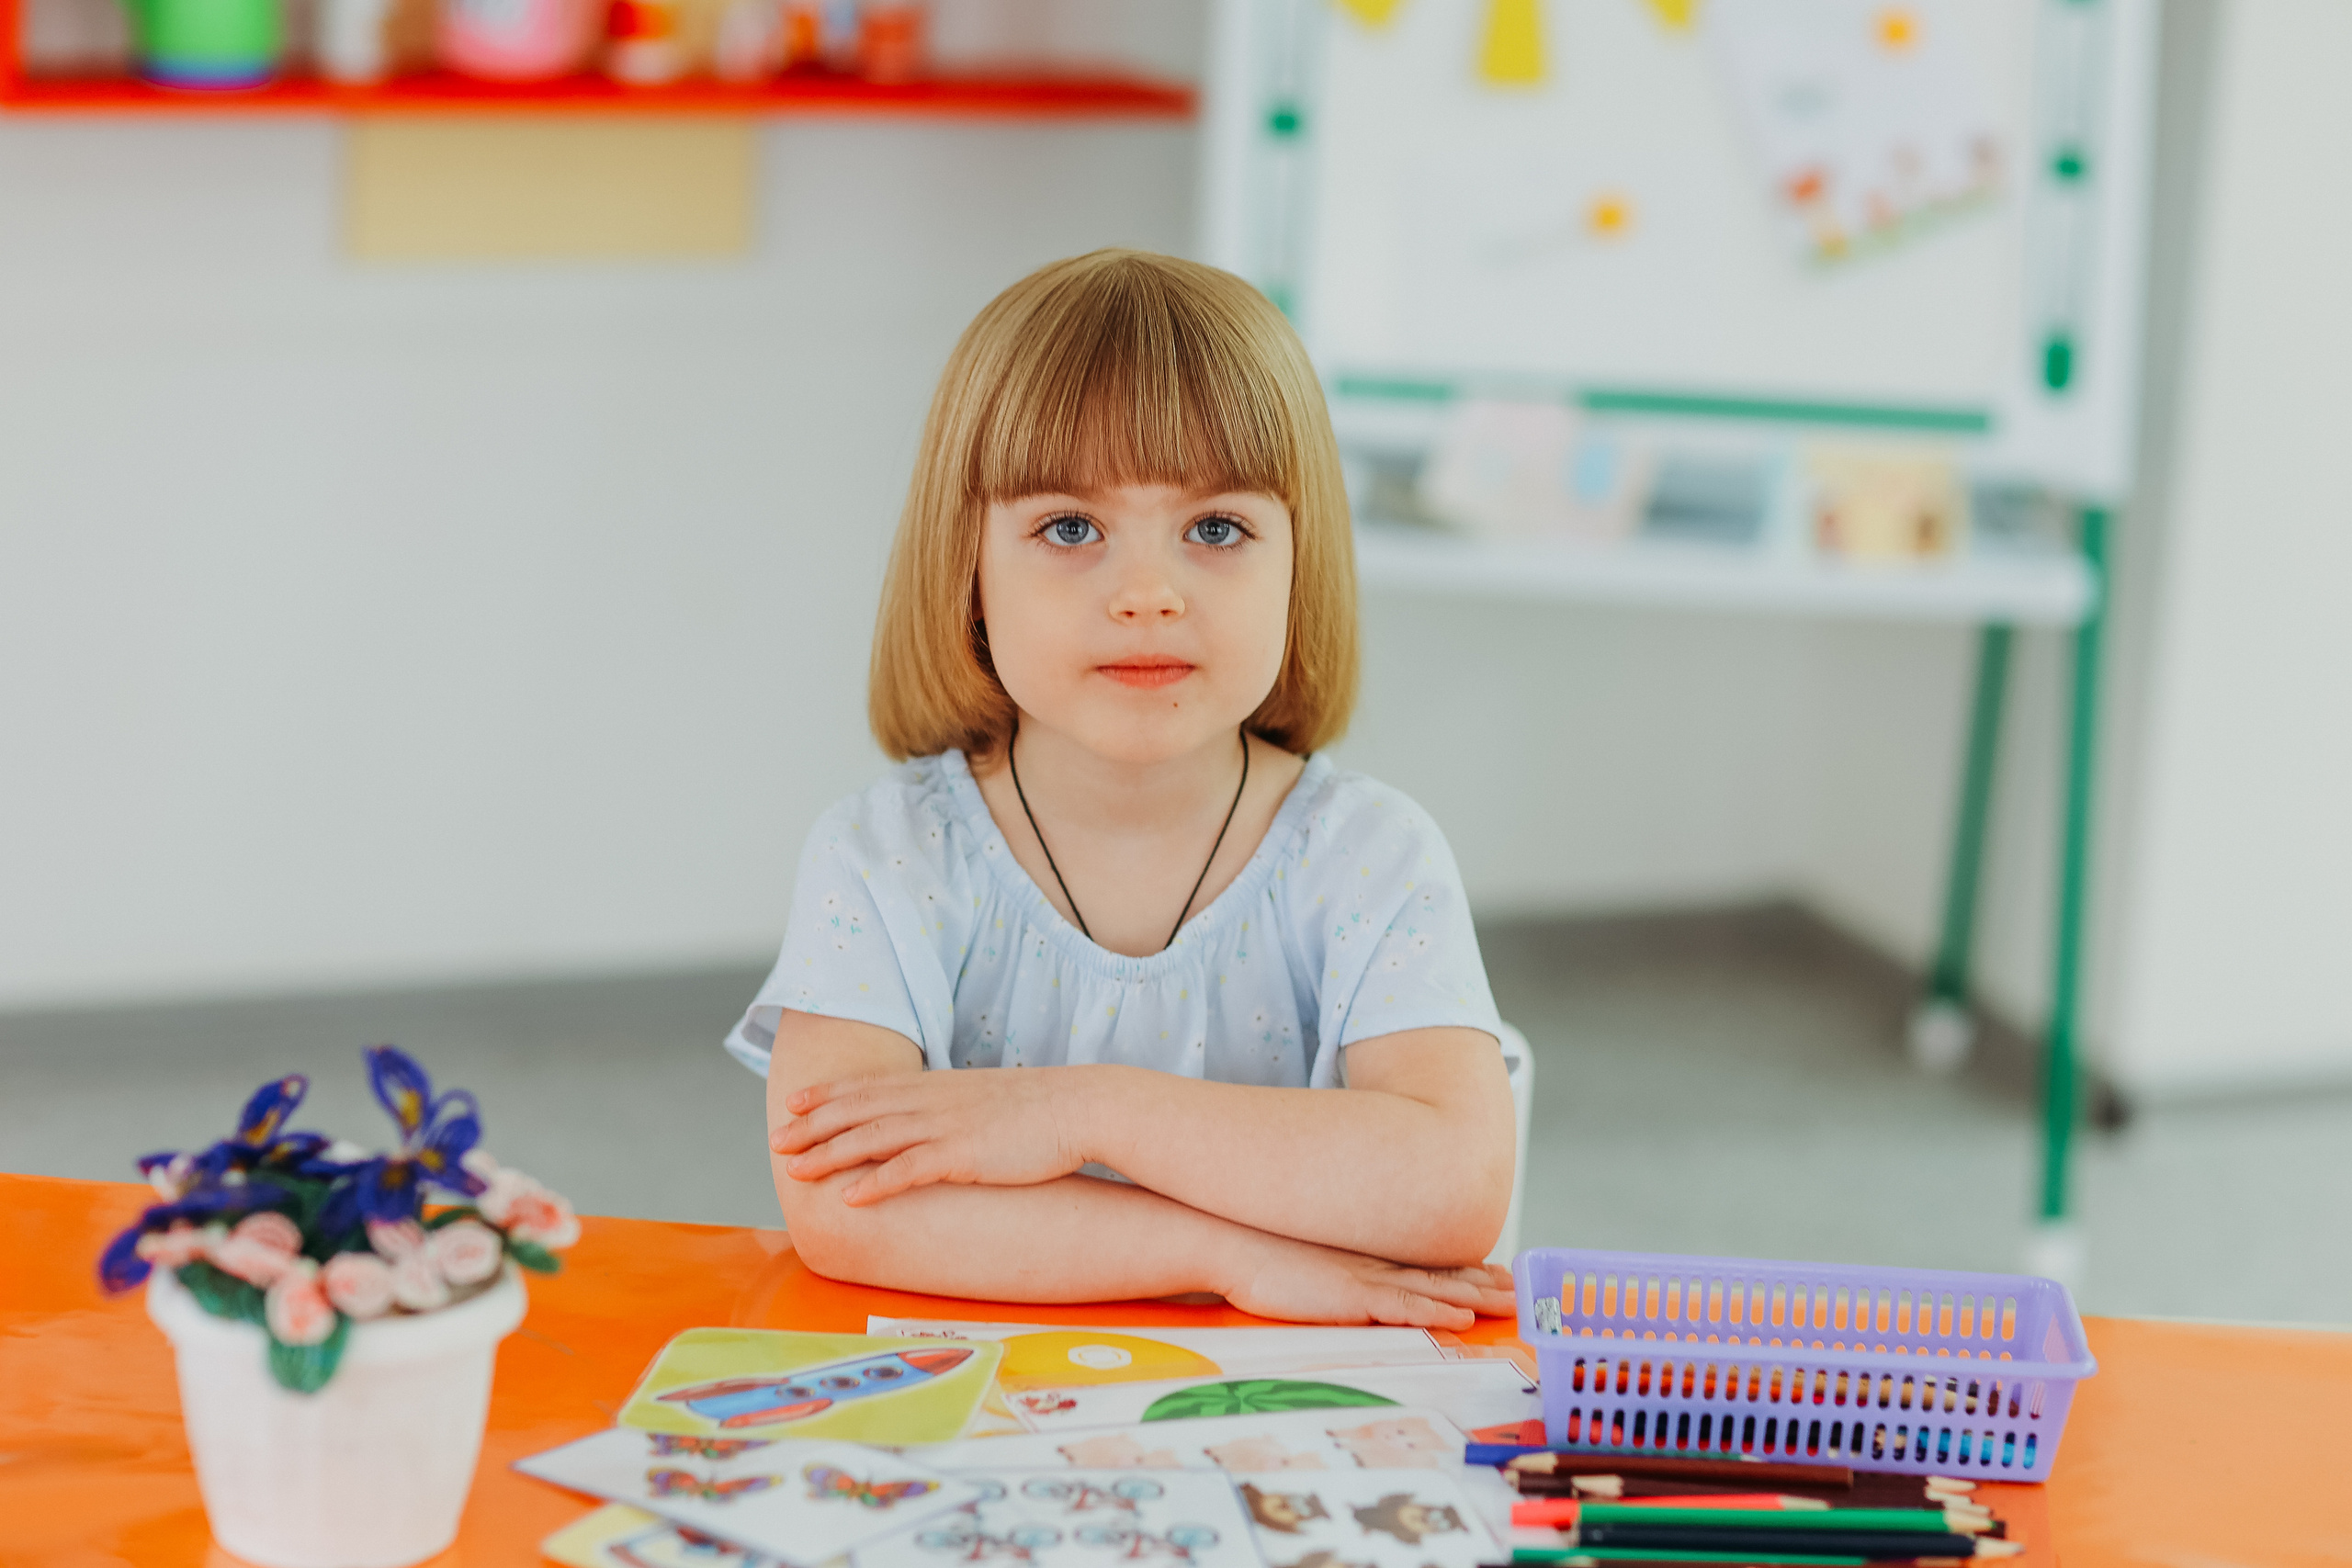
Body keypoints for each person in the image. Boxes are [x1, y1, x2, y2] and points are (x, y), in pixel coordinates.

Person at [727, 249, 1516, 1327]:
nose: (1147, 593)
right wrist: (1223, 1255)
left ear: (1300, 561)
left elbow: (1453, 1185)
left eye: (1216, 529)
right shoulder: (884, 855)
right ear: (967, 569)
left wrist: (1077, 1114)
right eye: (1068, 528)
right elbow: (843, 1206)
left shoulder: (1372, 854)